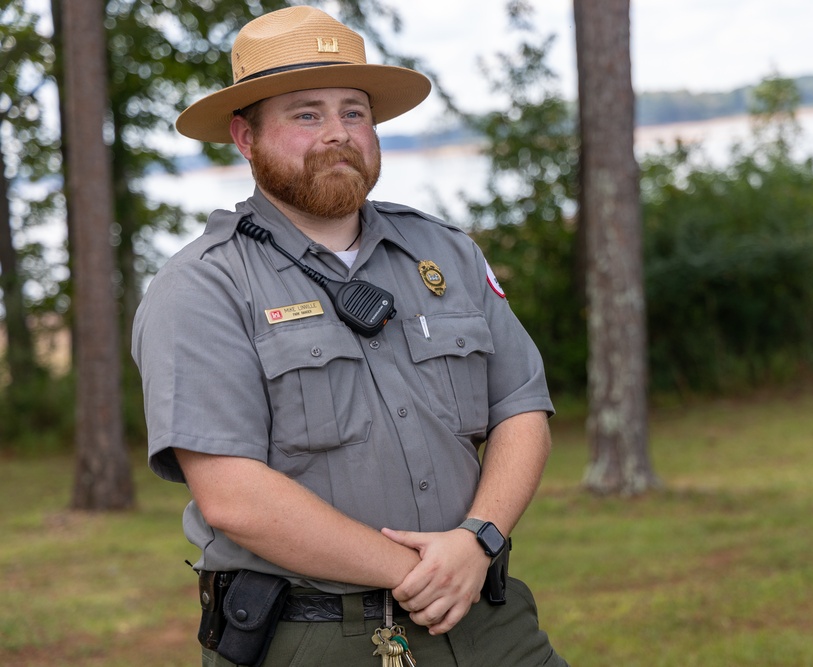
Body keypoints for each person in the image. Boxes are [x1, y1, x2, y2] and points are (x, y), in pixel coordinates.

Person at [132, 5, 567, 667]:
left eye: (354, 112)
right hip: (312, 638)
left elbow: (521, 406)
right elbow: (234, 494)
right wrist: (422, 568)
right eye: (306, 114)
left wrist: (477, 541)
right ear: (245, 137)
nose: (338, 133)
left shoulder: (444, 252)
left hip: (488, 622)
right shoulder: (202, 286)